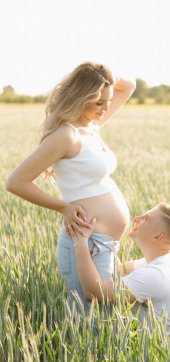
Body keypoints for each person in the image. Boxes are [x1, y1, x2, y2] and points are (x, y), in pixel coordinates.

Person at [6, 61, 136, 311]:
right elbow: (16, 182)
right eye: (98, 102)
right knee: (91, 320)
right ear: (80, 97)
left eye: (108, 101)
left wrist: (101, 76)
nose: (105, 108)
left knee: (102, 319)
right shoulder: (67, 135)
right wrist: (63, 207)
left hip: (103, 244)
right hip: (86, 242)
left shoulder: (92, 126)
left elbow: (128, 85)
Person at [70, 202, 170, 343]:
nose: (137, 218)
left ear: (158, 236)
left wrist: (80, 242)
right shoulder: (163, 261)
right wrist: (101, 243)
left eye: (146, 218)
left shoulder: (156, 275)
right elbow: (116, 271)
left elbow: (95, 293)